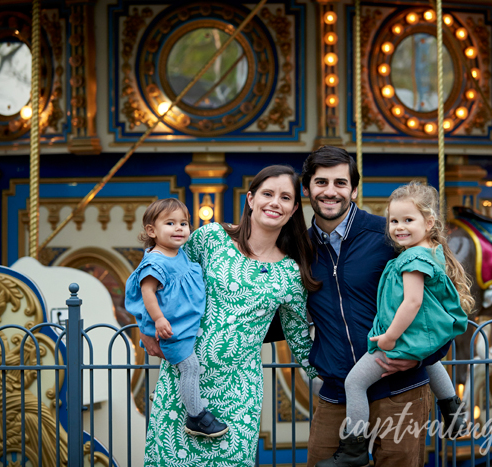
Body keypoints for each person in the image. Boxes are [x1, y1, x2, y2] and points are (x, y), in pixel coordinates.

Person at [139, 165, 320, 466]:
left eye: (285, 197)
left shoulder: (290, 273)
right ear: (250, 199)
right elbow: (161, 274)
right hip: (184, 384)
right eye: (267, 194)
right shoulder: (211, 239)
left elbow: (300, 339)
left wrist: (341, 378)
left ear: (294, 209)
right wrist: (146, 327)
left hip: (238, 394)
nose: (275, 202)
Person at [302, 146, 461, 467]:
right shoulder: (300, 249)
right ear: (307, 189)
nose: (330, 191)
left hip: (399, 389)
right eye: (321, 183)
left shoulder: (387, 235)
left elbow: (435, 301)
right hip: (338, 392)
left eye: (340, 183)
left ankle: (452, 406)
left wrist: (424, 355)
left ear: (354, 189)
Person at [125, 198, 228, 438]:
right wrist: (158, 319)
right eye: (170, 223)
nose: (179, 228)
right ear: (152, 231)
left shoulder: (177, 253)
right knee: (191, 368)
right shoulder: (156, 260)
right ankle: (197, 417)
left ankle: (166, 394)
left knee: (184, 368)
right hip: (172, 329)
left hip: (185, 324)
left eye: (184, 223)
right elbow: (147, 292)